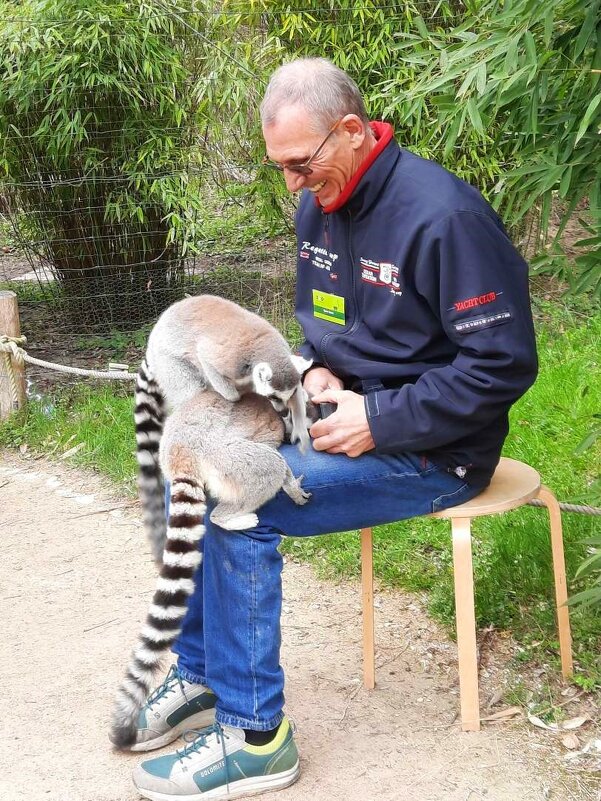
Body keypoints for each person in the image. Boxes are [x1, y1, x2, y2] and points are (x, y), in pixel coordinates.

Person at [130, 57, 538, 800]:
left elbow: (502, 364)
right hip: (332, 417)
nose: (291, 184)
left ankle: (257, 737)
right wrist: (315, 369)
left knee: (232, 504)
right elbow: (328, 328)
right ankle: (199, 676)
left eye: (299, 164)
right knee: (181, 465)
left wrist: (379, 418)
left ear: (351, 131)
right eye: (279, 168)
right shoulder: (319, 204)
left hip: (432, 452)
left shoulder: (445, 217)